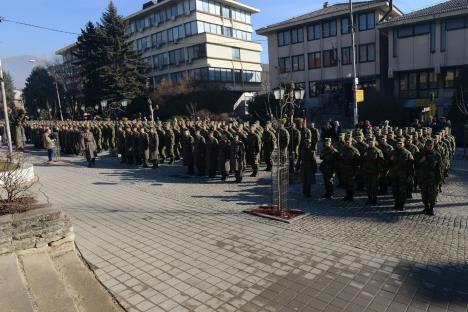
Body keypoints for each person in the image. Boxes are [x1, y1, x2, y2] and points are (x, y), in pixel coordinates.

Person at [416, 139, 442, 215]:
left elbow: (440, 168)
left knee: (433, 194)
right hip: (423, 177)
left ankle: (431, 208)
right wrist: (421, 161)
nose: (429, 147)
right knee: (424, 194)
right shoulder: (421, 154)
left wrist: (439, 179)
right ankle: (426, 207)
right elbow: (416, 165)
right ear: (425, 145)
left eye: (431, 145)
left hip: (433, 178)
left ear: (433, 145)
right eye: (428, 145)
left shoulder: (437, 155)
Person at [388, 138, 413, 211]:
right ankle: (396, 204)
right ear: (396, 144)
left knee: (402, 191)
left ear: (403, 144)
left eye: (401, 144)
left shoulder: (407, 153)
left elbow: (411, 166)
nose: (399, 145)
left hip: (403, 176)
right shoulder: (392, 153)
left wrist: (410, 175)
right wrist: (390, 160)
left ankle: (401, 205)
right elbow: (387, 164)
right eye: (398, 144)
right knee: (395, 190)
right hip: (394, 175)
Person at [362, 137, 384, 205]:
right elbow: (362, 161)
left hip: (375, 172)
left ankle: (374, 199)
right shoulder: (365, 150)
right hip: (367, 172)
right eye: (369, 142)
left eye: (372, 142)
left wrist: (380, 172)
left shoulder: (378, 151)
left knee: (374, 186)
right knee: (368, 186)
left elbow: (381, 162)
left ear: (374, 143)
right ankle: (369, 198)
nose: (370, 144)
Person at [341, 135, 360, 201]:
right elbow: (340, 159)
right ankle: (347, 195)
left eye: (348, 142)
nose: (347, 143)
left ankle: (351, 196)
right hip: (345, 169)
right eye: (346, 142)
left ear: (351, 142)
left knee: (351, 184)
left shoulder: (355, 151)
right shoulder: (343, 150)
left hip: (352, 170)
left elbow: (357, 163)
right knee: (346, 184)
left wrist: (356, 172)